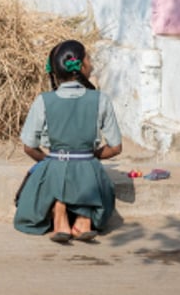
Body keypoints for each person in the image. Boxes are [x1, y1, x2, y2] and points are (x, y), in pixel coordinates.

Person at [14, 40, 123, 243]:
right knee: (87, 173)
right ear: (81, 66)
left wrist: (48, 162)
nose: (91, 64)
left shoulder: (43, 100)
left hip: (55, 165)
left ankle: (60, 214)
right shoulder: (101, 99)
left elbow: (29, 147)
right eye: (89, 59)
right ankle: (83, 219)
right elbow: (115, 147)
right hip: (87, 170)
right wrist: (90, 157)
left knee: (57, 175)